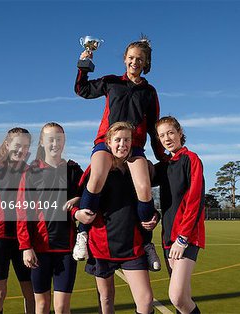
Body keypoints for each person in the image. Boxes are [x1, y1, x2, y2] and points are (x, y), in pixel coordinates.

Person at [74, 36, 165, 271]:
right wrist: (84, 64)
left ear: (146, 64)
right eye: (131, 58)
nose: (135, 62)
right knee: (97, 176)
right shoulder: (112, 82)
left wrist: (162, 156)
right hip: (106, 142)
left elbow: (154, 128)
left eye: (140, 59)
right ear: (125, 59)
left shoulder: (149, 92)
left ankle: (146, 243)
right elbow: (82, 90)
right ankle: (82, 233)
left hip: (134, 147)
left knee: (144, 188)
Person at [75, 122, 158, 314]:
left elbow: (147, 204)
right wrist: (77, 213)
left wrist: (155, 217)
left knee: (145, 301)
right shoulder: (98, 170)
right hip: (102, 245)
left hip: (132, 245)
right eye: (118, 140)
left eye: (127, 140)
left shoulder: (138, 170)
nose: (123, 144)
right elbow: (81, 202)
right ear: (109, 143)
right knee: (106, 299)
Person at [16, 122, 83, 314]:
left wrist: (78, 198)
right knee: (42, 305)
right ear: (42, 142)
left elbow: (90, 195)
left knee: (62, 307)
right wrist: (26, 247)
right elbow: (22, 212)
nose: (55, 143)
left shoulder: (73, 170)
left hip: (66, 249)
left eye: (58, 139)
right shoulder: (31, 172)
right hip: (39, 249)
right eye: (50, 139)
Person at [0, 127, 35, 314]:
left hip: (24, 241)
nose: (21, 150)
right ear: (8, 145)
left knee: (31, 293)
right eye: (17, 145)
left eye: (25, 146)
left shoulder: (31, 172)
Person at [154, 116, 205, 314]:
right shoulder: (165, 165)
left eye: (170, 133)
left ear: (179, 133)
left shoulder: (191, 159)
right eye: (161, 135)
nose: (167, 138)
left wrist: (182, 238)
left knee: (176, 297)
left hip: (186, 237)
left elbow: (195, 200)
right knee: (183, 297)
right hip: (168, 238)